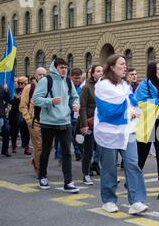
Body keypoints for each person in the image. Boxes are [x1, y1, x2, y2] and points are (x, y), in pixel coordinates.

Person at [94, 54, 148, 215]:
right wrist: (128, 111)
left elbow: (133, 102)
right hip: (108, 133)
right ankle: (109, 200)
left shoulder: (125, 85)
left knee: (132, 164)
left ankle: (136, 201)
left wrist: (136, 111)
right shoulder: (102, 85)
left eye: (125, 64)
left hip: (127, 131)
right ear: (111, 66)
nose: (125, 67)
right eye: (122, 64)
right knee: (110, 168)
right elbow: (107, 110)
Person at [32, 58, 80, 193]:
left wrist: (76, 105)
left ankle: (68, 181)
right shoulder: (46, 81)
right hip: (48, 122)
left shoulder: (68, 81)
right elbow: (36, 99)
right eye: (61, 67)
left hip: (65, 121)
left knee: (67, 152)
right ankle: (42, 176)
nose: (64, 69)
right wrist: (50, 101)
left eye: (66, 67)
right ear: (54, 68)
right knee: (46, 150)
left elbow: (75, 97)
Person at [135, 61, 159, 201]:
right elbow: (137, 103)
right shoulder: (143, 85)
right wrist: (157, 104)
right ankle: (133, 181)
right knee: (142, 156)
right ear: (152, 70)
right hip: (147, 124)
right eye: (158, 68)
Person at [79, 64, 103, 185]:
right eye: (98, 71)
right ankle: (86, 174)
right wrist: (84, 125)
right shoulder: (86, 88)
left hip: (103, 123)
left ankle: (107, 174)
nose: (100, 73)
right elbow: (82, 107)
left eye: (102, 71)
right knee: (88, 150)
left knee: (104, 150)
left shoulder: (105, 86)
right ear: (92, 74)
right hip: (90, 122)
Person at [20, 75, 43, 175]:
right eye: (40, 74)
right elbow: (22, 106)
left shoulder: (49, 87)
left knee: (50, 145)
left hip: (48, 121)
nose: (42, 76)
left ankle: (35, 159)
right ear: (36, 75)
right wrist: (28, 120)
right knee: (38, 146)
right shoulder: (29, 88)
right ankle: (40, 170)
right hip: (34, 121)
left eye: (44, 74)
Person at [9, 76, 31, 155]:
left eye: (22, 83)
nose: (20, 84)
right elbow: (10, 101)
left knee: (25, 131)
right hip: (15, 113)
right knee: (14, 130)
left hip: (25, 113)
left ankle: (26, 147)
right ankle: (14, 145)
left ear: (26, 83)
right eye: (19, 83)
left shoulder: (29, 91)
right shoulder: (15, 91)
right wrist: (16, 99)